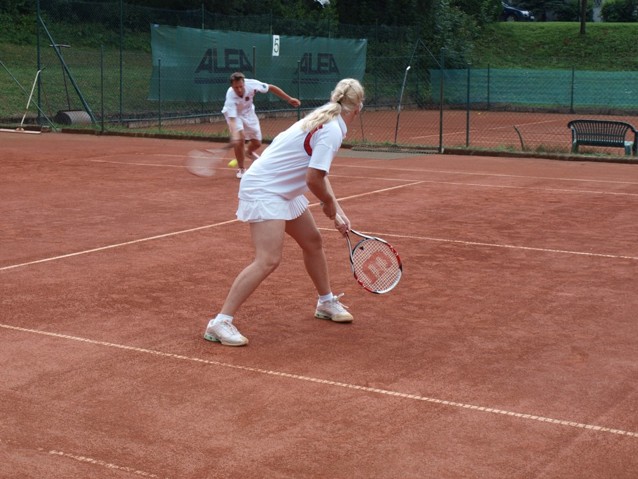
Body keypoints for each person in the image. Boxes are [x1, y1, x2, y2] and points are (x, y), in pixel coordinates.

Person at [204, 78, 365, 347]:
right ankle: (220, 322)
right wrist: (329, 205)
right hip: (265, 189)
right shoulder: (332, 129)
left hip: (282, 188)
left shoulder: (325, 117)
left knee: (312, 241)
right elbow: (314, 179)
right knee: (268, 259)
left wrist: (337, 209)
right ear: (358, 108)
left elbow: (318, 173)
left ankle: (325, 302)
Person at [222, 71, 301, 179]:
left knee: (257, 143)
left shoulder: (252, 84)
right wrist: (236, 136)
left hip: (249, 113)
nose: (239, 89)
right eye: (236, 87)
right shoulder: (230, 97)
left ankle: (248, 152)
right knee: (240, 139)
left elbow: (271, 87)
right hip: (235, 115)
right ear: (232, 86)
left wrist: (289, 99)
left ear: (244, 83)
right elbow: (232, 120)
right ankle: (241, 168)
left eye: (241, 86)